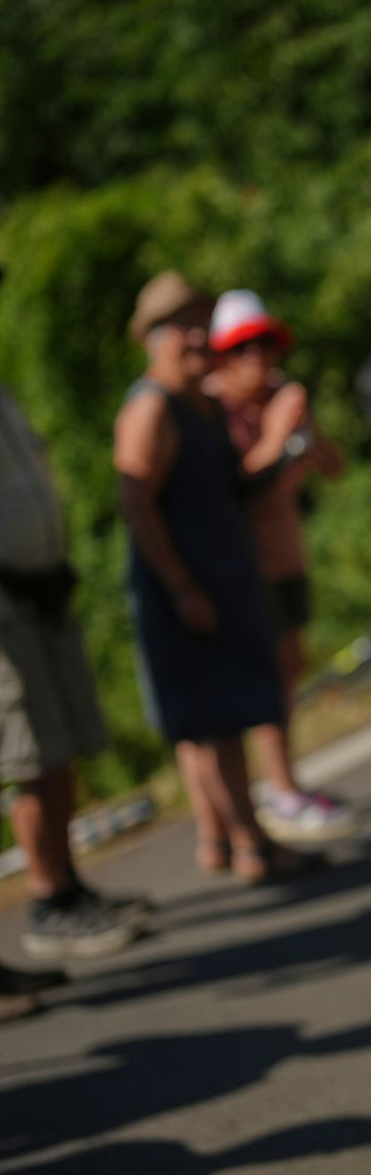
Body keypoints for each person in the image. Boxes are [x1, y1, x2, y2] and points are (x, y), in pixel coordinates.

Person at [115, 272, 322, 884]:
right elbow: (137, 504)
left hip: (224, 580)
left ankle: (237, 840)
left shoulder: (200, 403)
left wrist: (284, 442)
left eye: (200, 318)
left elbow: (239, 486)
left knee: (223, 721)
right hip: (187, 589)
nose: (197, 333)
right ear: (152, 337)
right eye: (181, 323)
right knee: (212, 726)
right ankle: (251, 845)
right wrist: (180, 586)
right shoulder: (151, 406)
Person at [0, 382, 150, 962]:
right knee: (31, 756)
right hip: (6, 604)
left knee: (62, 748)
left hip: (43, 589)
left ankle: (69, 884)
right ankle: (48, 901)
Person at [207, 289, 356, 842]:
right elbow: (237, 486)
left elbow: (334, 467)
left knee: (290, 666)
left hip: (286, 555)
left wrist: (305, 426)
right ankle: (278, 790)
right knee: (267, 677)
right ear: (222, 355)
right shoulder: (214, 406)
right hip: (247, 567)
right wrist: (275, 431)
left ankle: (281, 781)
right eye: (243, 348)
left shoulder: (278, 397)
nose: (257, 358)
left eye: (265, 344)